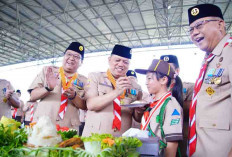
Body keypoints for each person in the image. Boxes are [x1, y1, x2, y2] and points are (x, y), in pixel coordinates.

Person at [187, 4, 232, 157]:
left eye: (200, 25)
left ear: (220, 24)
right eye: (191, 29)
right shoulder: (210, 59)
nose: (195, 33)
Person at [82, 44, 143, 137]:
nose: (121, 64)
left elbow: (138, 119)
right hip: (95, 138)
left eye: (125, 62)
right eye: (117, 60)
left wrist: (139, 111)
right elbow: (91, 105)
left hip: (121, 140)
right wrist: (116, 91)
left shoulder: (135, 87)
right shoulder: (95, 77)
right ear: (109, 60)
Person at [28, 42, 87, 131]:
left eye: (76, 57)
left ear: (81, 62)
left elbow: (85, 106)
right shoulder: (48, 71)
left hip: (69, 127)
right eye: (69, 54)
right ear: (64, 56)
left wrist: (74, 96)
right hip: (43, 124)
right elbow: (33, 96)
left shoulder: (84, 81)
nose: (71, 58)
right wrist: (48, 88)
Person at [135, 59, 183, 157]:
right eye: (146, 79)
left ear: (163, 80)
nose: (146, 83)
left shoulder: (171, 105)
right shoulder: (154, 104)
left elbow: (172, 144)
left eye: (149, 78)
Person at [160, 55, 194, 157]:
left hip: (180, 135)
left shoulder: (189, 87)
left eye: (169, 68)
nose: (165, 71)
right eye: (162, 68)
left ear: (177, 70)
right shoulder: (155, 89)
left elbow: (193, 111)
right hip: (160, 136)